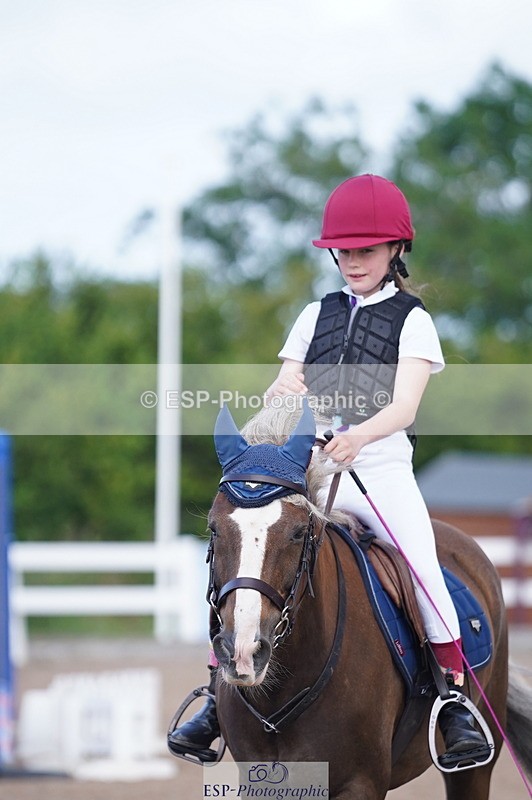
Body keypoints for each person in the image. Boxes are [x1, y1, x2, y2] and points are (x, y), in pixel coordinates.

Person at [168, 173, 490, 766]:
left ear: (396, 250)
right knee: (246, 554)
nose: (352, 261)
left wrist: (359, 436)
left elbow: (406, 406)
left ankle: (453, 701)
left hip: (380, 466)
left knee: (423, 568)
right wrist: (283, 389)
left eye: (365, 250)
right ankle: (219, 694)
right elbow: (283, 387)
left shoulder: (411, 320)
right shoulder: (315, 315)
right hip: (309, 467)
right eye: (343, 251)